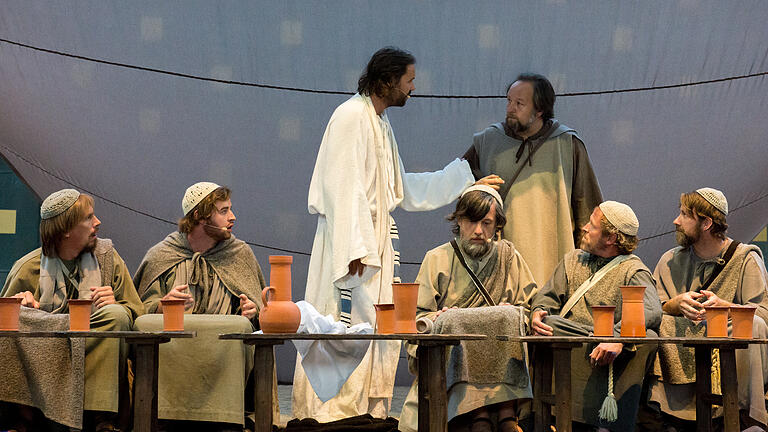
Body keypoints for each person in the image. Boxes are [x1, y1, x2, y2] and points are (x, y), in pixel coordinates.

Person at [294, 46, 494, 421]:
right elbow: (343, 188)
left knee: (379, 326)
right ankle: (331, 417)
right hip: (350, 245)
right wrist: (355, 248)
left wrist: (467, 178)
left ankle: (368, 414)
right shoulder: (351, 117)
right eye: (409, 80)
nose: (413, 88)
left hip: (374, 241)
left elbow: (400, 188)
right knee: (346, 324)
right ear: (387, 80)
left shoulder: (379, 122)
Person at [1, 188, 143, 431]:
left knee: (115, 315)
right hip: (48, 370)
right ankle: (21, 422)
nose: (97, 223)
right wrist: (23, 308)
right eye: (88, 218)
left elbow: (138, 315)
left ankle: (102, 421)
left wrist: (120, 306)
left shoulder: (109, 260)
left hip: (97, 364)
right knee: (18, 318)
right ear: (65, 230)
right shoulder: (27, 268)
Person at [398, 185, 537, 432]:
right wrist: (436, 319)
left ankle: (504, 415)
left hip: (501, 363)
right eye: (471, 221)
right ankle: (475, 413)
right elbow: (416, 318)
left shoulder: (510, 258)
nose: (478, 230)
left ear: (497, 226)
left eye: (487, 223)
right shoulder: (437, 258)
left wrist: (519, 315)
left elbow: (532, 306)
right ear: (459, 220)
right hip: (453, 365)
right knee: (456, 322)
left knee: (506, 316)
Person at [133, 182, 267, 431]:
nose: (232, 217)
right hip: (173, 348)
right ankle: (164, 416)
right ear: (199, 216)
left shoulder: (239, 254)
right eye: (223, 211)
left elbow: (262, 310)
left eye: (230, 209)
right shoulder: (161, 254)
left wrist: (253, 311)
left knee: (240, 328)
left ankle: (224, 418)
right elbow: (138, 309)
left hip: (221, 352)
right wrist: (163, 306)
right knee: (144, 326)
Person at [530, 201, 662, 432]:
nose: (584, 228)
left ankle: (607, 422)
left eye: (592, 226)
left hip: (609, 344)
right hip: (573, 335)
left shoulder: (633, 270)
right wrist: (537, 313)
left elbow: (651, 309)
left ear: (611, 238)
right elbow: (546, 298)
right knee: (550, 323)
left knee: (649, 336)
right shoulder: (573, 260)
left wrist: (617, 338)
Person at [463, 73, 602, 286]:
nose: (510, 108)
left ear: (540, 110)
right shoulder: (488, 142)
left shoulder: (567, 144)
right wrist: (472, 187)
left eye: (520, 103)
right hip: (500, 259)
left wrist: (588, 265)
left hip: (552, 255)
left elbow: (587, 208)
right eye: (509, 101)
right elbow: (460, 187)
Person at [649, 188, 768, 430]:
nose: (676, 221)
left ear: (706, 223)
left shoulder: (745, 258)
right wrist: (675, 304)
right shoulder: (670, 260)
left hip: (728, 344)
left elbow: (763, 314)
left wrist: (728, 307)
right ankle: (670, 419)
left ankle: (744, 418)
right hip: (683, 343)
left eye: (684, 215)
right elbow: (652, 308)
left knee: (753, 325)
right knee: (656, 324)